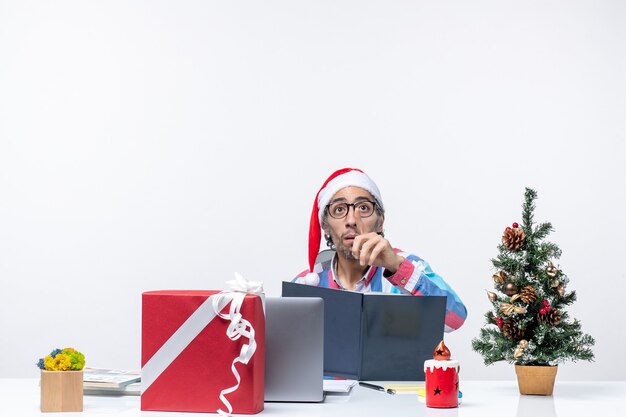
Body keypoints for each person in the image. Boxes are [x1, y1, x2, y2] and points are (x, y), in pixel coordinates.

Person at [293, 167, 467, 332]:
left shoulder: (407, 266)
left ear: (380, 221)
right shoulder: (307, 283)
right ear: (325, 226)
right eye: (339, 209)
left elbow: (456, 319)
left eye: (363, 208)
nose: (352, 220)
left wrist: (398, 268)